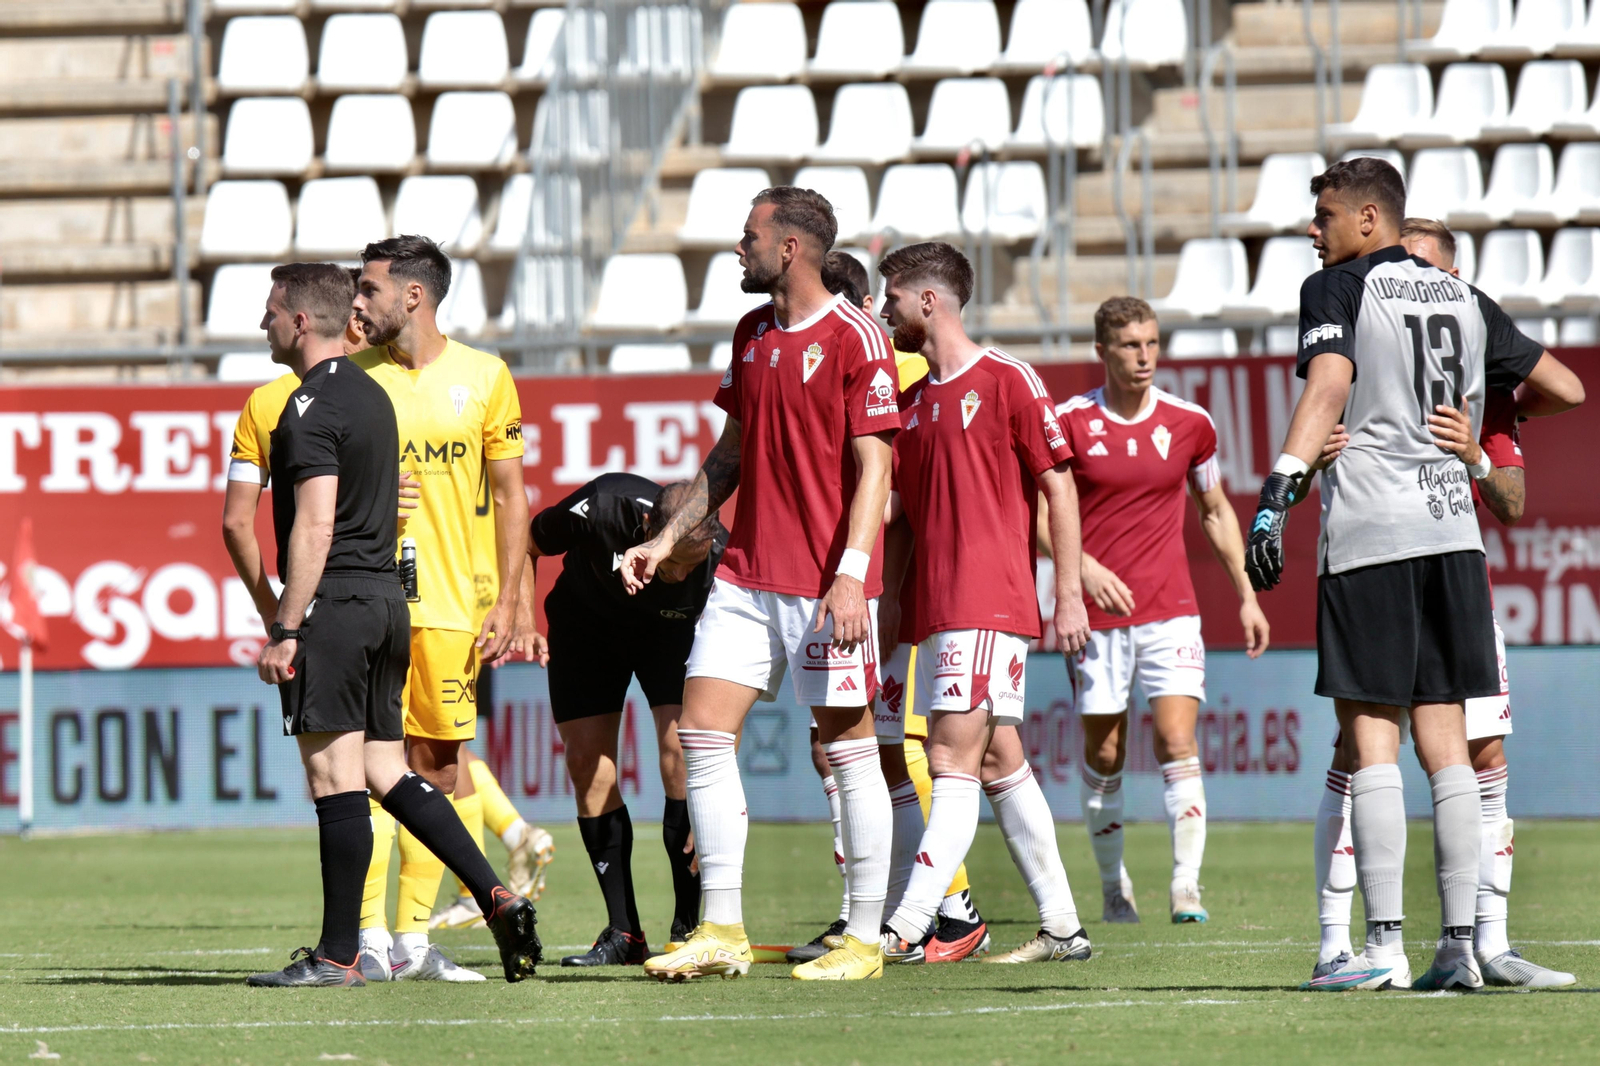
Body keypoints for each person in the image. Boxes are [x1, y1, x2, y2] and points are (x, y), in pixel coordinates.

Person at [1244, 157, 1575, 991]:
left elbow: (1327, 384)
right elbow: (1560, 386)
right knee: (1448, 744)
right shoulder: (1460, 295)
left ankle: (1382, 948)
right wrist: (1479, 434)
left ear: (1367, 218)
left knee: (1371, 738)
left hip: (1373, 532)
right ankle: (1459, 947)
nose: (1311, 231)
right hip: (1454, 533)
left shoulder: (1339, 287)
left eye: (1322, 216)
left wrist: (1279, 490)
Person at [621, 186, 901, 982]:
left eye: (748, 237)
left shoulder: (857, 337)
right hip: (745, 575)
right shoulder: (750, 334)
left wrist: (851, 577)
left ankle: (863, 941)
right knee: (702, 734)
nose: (736, 249)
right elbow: (729, 453)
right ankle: (722, 929)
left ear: (789, 249)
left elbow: (876, 466)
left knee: (847, 749)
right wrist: (668, 539)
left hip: (825, 585)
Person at [237, 263, 539, 987]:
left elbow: (313, 524)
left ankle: (339, 954)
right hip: (388, 605)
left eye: (272, 311)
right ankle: (496, 896)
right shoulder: (376, 396)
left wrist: (286, 627)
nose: (264, 324)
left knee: (331, 778)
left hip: (337, 605)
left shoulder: (306, 406)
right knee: (385, 769)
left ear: (301, 321)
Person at [872, 241, 1094, 966]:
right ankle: (1062, 924)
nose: (885, 310)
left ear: (928, 301)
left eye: (893, 297)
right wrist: (890, 619)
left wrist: (1066, 596)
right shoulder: (910, 404)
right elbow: (899, 521)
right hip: (938, 611)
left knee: (948, 758)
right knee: (998, 759)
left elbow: (1058, 486)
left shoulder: (1007, 380)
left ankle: (905, 924)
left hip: (987, 602)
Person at [788, 249, 990, 965]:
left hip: (893, 594)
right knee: (863, 749)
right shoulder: (885, 367)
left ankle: (946, 907)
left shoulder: (890, 370)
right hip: (874, 587)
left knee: (889, 750)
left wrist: (867, 576)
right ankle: (881, 912)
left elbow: (898, 498)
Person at [1045, 296, 1270, 924]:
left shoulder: (1190, 423)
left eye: (1151, 343)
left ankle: (1185, 886)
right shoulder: (1068, 422)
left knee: (1177, 738)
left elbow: (1216, 510)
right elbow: (1039, 515)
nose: (1144, 356)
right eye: (1129, 345)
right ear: (1102, 351)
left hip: (1171, 610)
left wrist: (1247, 594)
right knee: (1107, 753)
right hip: (1096, 618)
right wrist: (1083, 568)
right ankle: (1114, 887)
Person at [347, 235, 535, 983]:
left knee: (437, 771)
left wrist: (515, 602)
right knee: (358, 768)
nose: (358, 301)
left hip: (453, 605)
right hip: (366, 597)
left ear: (413, 296)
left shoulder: (486, 377)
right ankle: (364, 934)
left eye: (369, 289)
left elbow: (515, 494)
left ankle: (414, 943)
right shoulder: (353, 380)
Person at [514, 473, 724, 966]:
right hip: (587, 626)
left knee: (682, 754)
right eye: (668, 563)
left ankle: (689, 925)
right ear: (649, 526)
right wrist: (523, 618)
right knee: (588, 763)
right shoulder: (604, 507)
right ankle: (624, 932)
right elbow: (525, 540)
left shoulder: (719, 559)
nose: (674, 575)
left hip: (668, 638)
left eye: (685, 567)